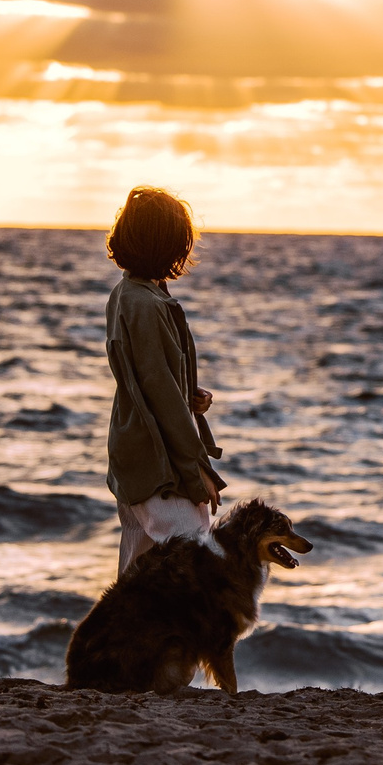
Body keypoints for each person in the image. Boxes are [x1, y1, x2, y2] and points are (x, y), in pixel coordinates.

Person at [102, 185, 226, 574]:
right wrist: (197, 470)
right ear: (166, 245)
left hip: (134, 454)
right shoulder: (146, 304)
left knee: (136, 575)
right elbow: (161, 397)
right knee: (199, 560)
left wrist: (191, 394)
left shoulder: (130, 294)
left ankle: (118, 637)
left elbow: (155, 381)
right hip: (159, 463)